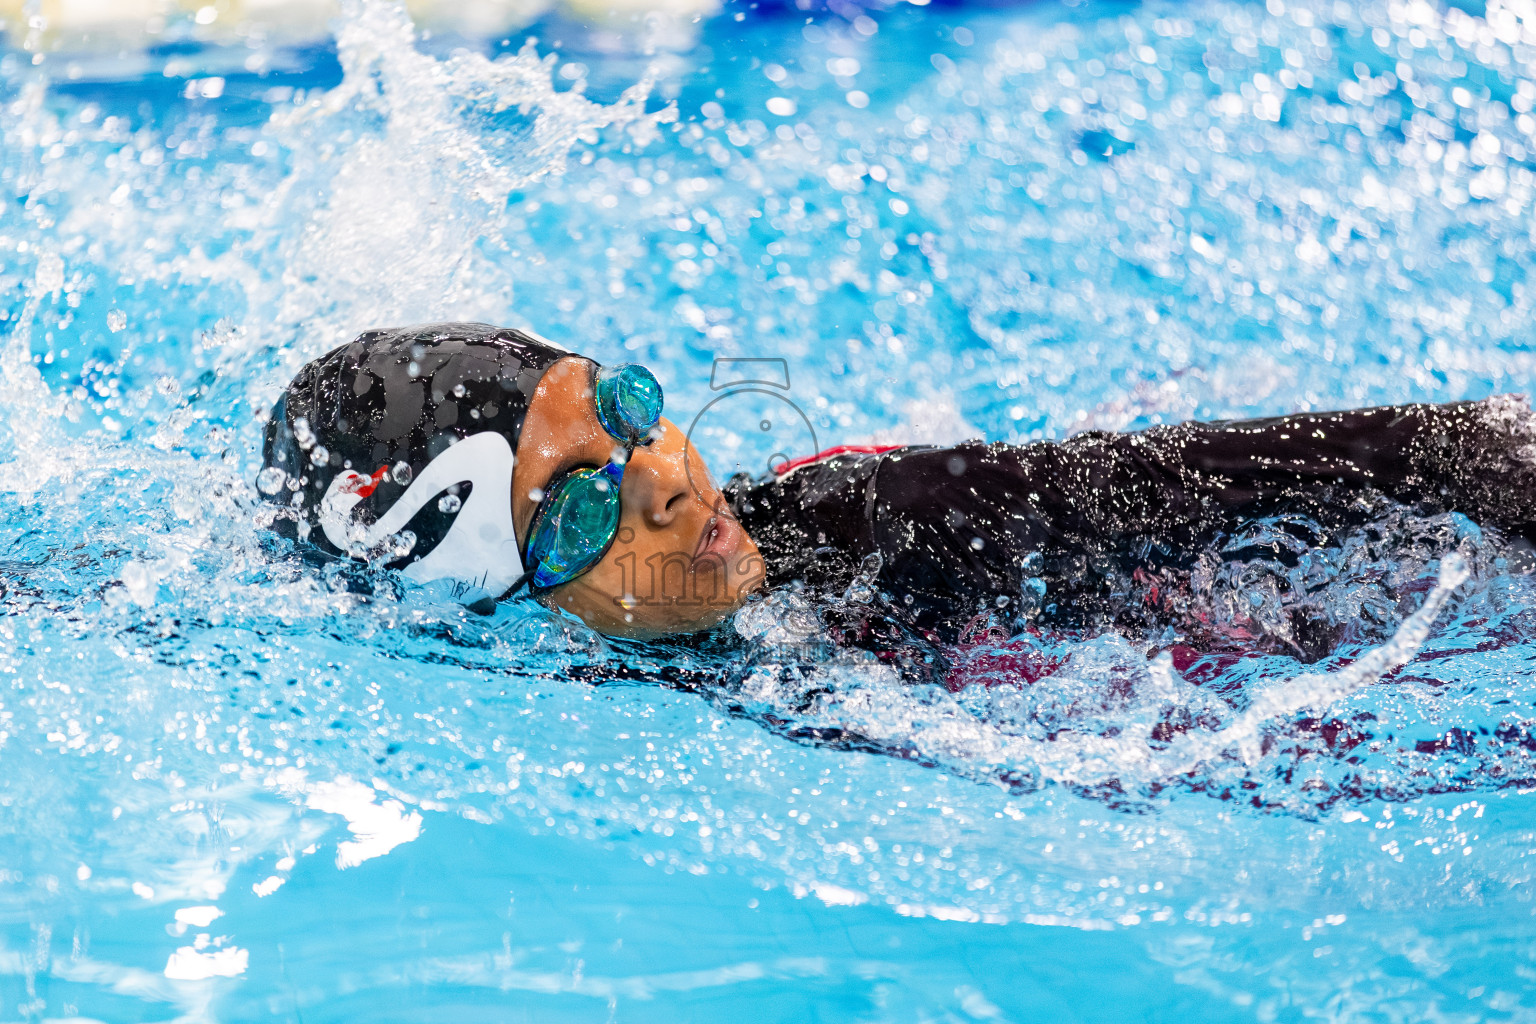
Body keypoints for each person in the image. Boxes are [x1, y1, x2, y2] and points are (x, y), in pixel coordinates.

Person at [261, 322, 1536, 647]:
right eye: (580, 507)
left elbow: (1449, 452)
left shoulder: (890, 530)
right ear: (495, 600)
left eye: (630, 415)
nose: (667, 484)